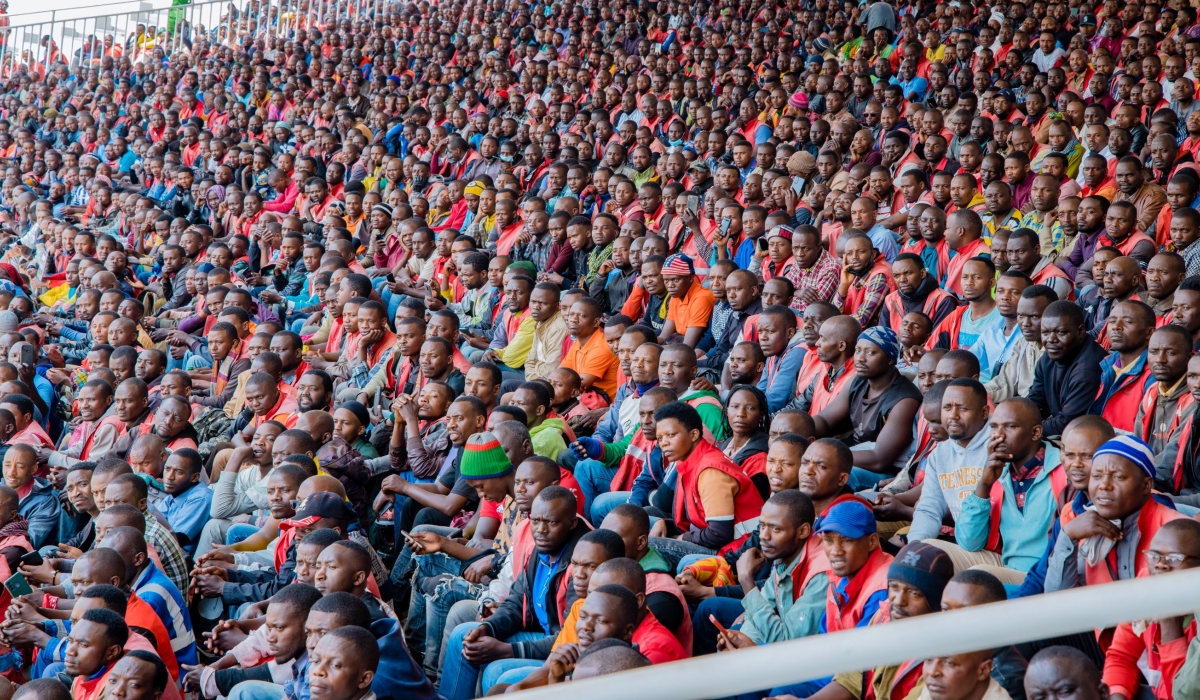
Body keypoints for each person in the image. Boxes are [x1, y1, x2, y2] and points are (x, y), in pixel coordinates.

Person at [1045, 435, 1186, 592]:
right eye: (1096, 476)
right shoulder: (1081, 525)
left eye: (1118, 477)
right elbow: (1058, 601)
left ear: (1146, 485)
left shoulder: (1174, 530)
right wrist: (1068, 537)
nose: (1104, 485)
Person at [1026, 301, 1106, 437]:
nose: (1051, 339)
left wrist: (1025, 427)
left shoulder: (1088, 370)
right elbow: (1036, 401)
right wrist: (1020, 419)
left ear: (1080, 331)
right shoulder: (1048, 356)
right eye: (1045, 332)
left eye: (1061, 332)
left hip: (1083, 438)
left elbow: (1067, 424)